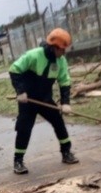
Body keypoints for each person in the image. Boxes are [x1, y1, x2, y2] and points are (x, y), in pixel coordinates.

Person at [9, 27, 79, 174]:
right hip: (28, 101)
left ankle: (66, 153)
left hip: (45, 99)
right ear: (53, 47)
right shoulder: (34, 55)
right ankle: (18, 161)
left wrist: (65, 102)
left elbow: (64, 81)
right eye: (62, 49)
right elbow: (14, 69)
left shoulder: (61, 61)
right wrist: (20, 91)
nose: (64, 52)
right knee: (24, 129)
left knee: (58, 122)